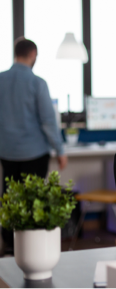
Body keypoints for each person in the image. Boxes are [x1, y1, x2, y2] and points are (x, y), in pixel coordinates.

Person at [0, 37, 67, 252]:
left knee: (10, 198)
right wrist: (60, 150)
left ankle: (11, 246)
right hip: (34, 153)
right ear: (33, 55)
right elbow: (48, 121)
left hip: (7, 152)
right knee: (33, 201)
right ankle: (30, 248)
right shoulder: (37, 83)